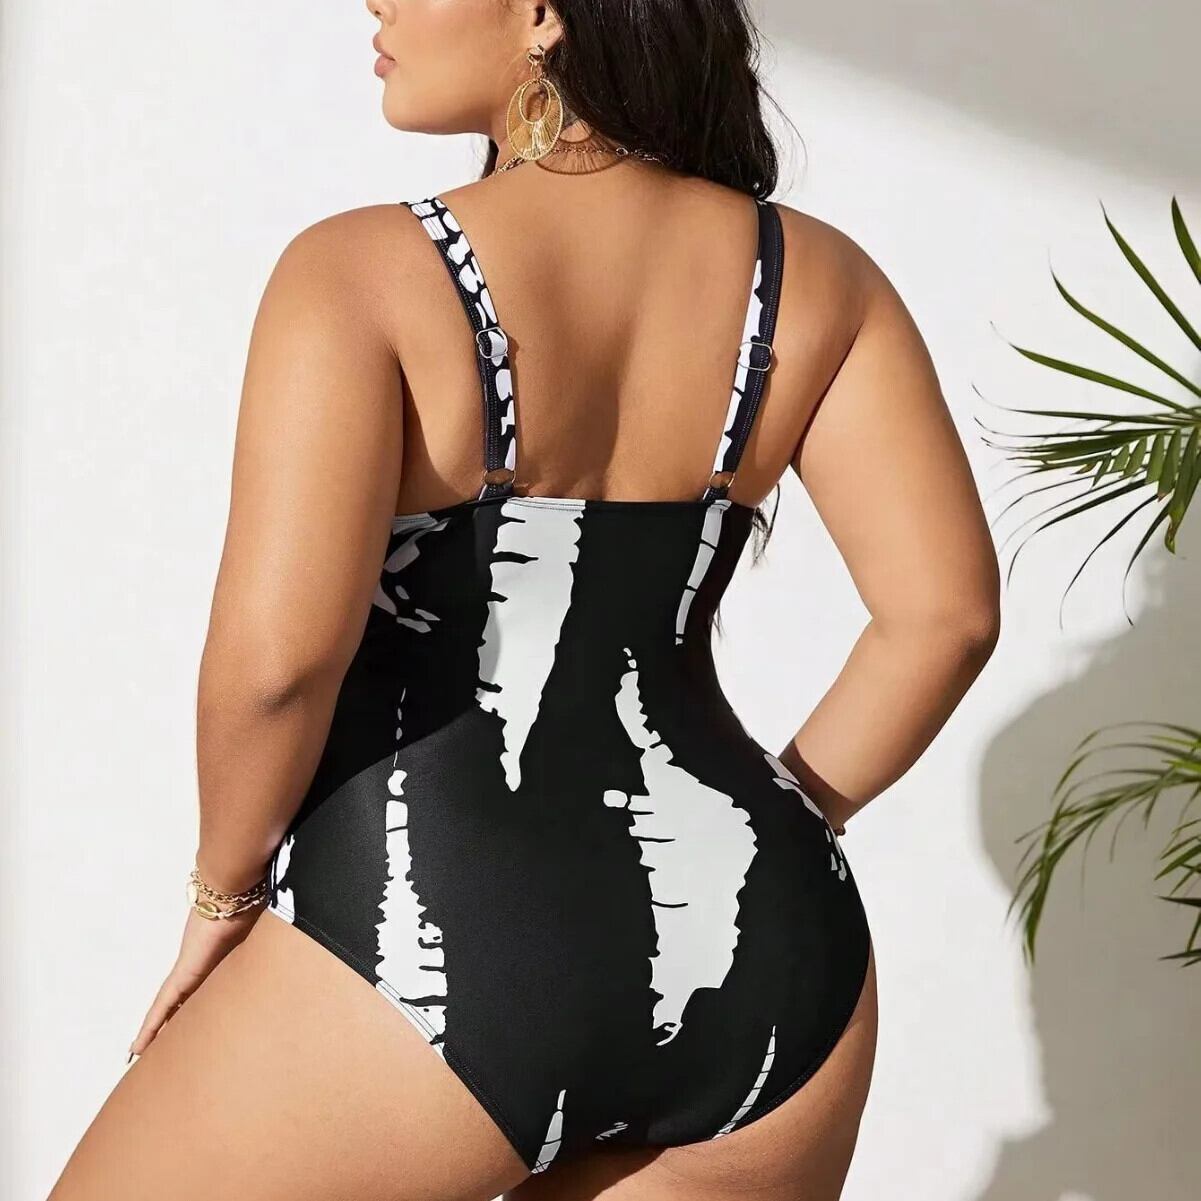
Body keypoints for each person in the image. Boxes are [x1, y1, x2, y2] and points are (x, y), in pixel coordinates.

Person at [49, 1, 1000, 1198]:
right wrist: (768, 828)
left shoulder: (360, 271)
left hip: (435, 936)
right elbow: (946, 616)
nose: (377, 1)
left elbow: (278, 664)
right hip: (766, 971)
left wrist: (222, 892)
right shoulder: (821, 280)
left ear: (546, 13)